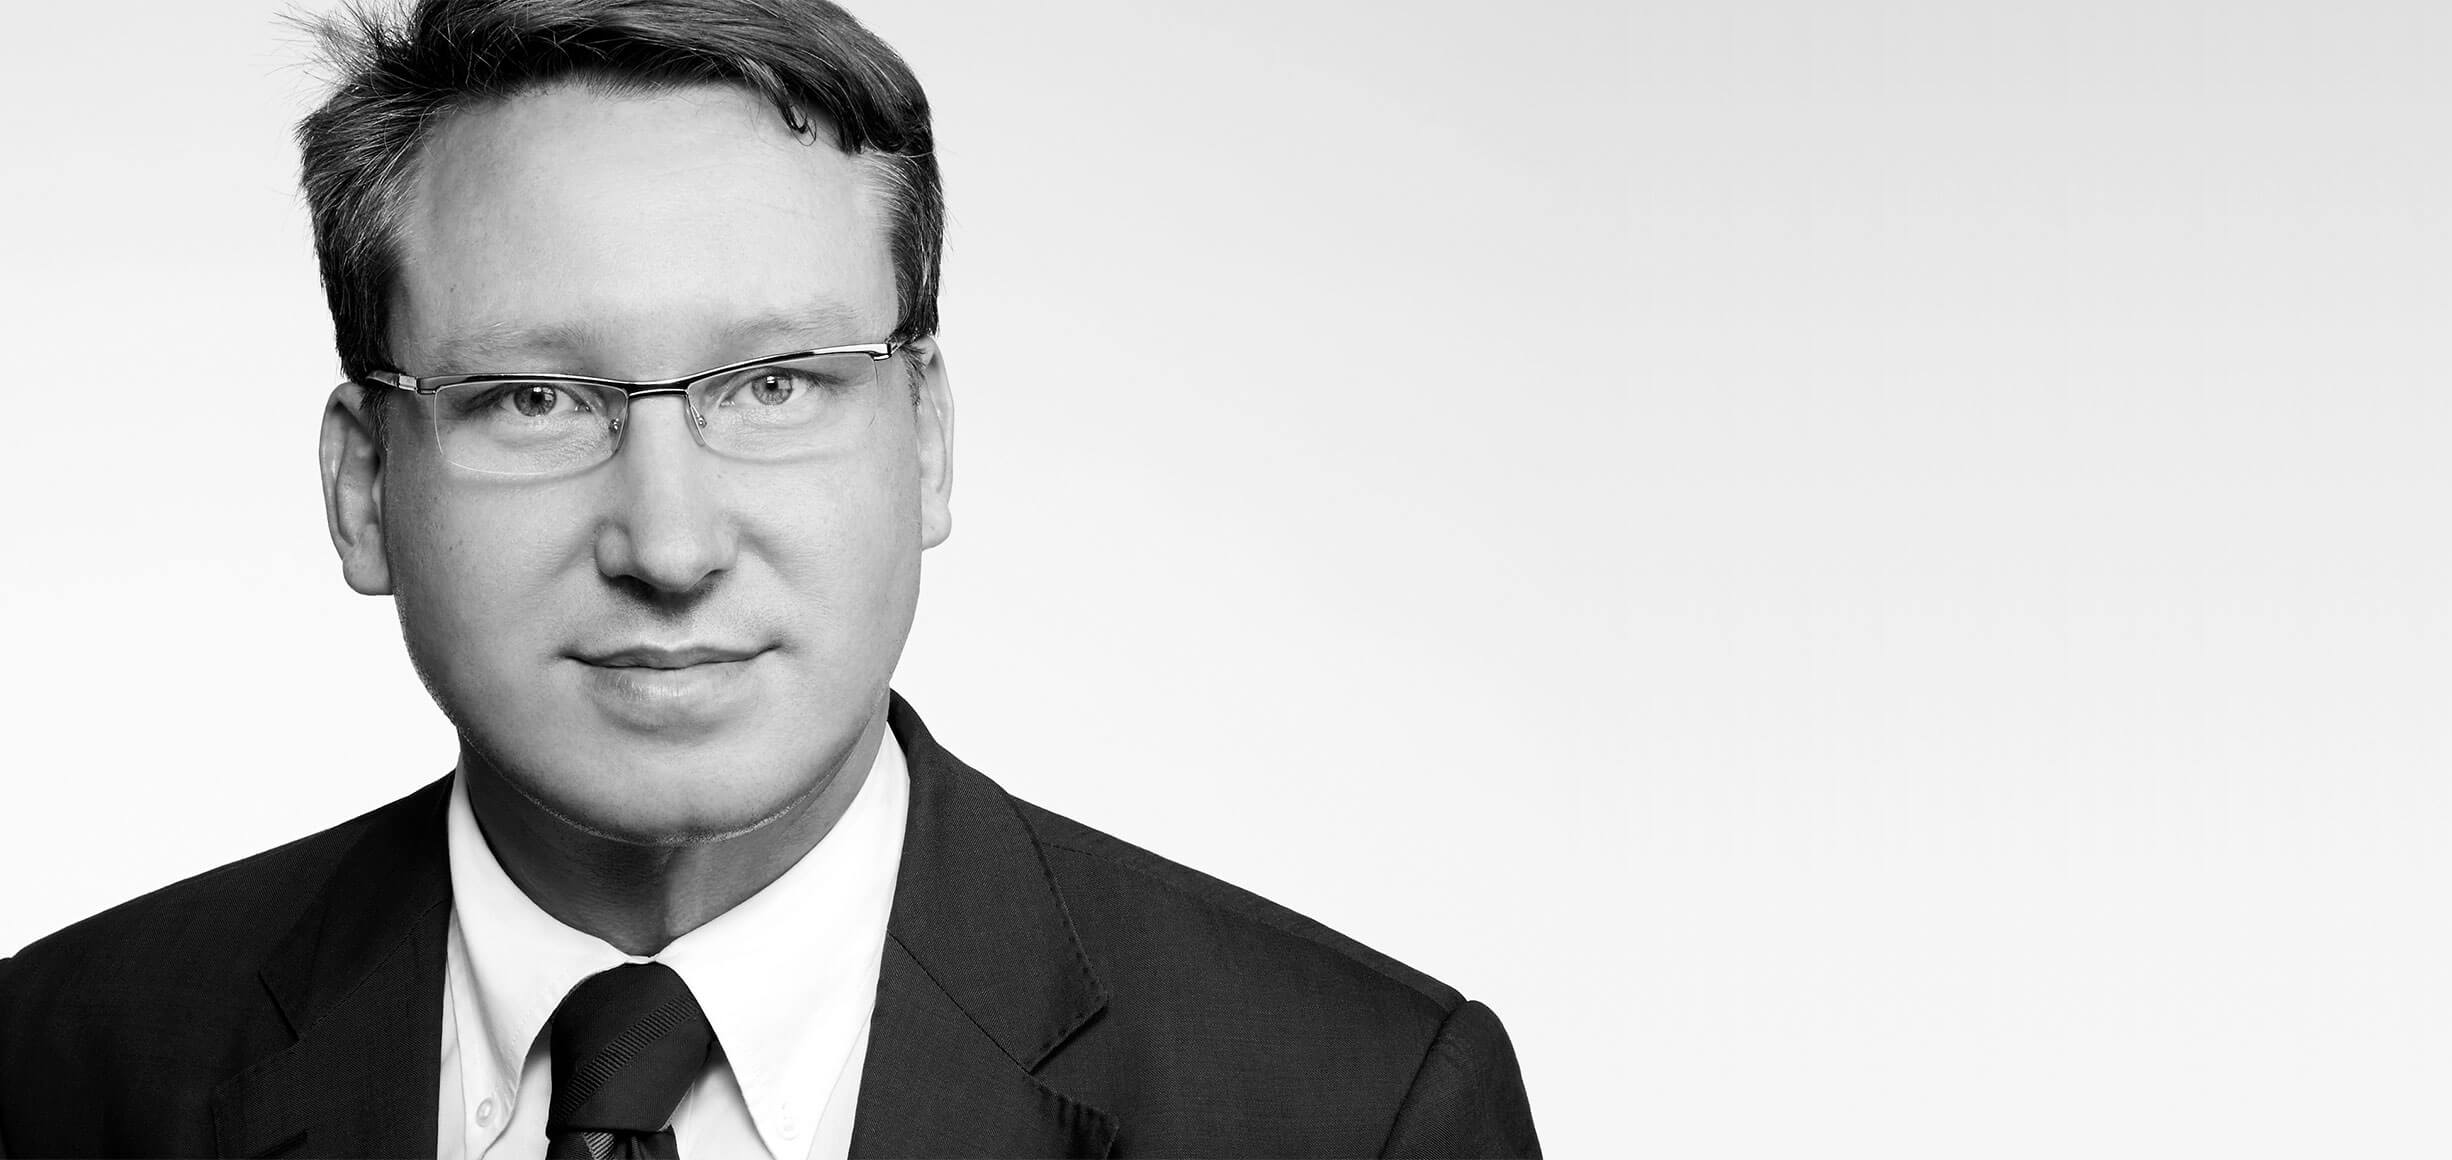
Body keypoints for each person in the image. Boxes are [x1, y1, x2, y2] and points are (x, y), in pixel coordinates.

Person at [0, 0, 1540, 1156]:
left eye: (776, 383)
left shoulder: (1358, 1111)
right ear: (361, 489)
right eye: (533, 399)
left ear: (927, 443)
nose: (669, 547)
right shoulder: (56, 1071)